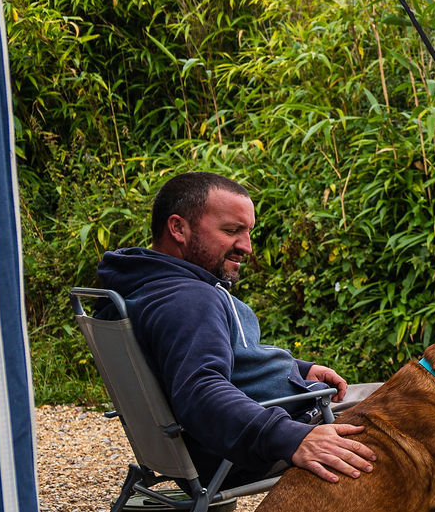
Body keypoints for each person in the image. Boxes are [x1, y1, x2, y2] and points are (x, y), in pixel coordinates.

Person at [95, 172, 376, 487]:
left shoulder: (148, 286)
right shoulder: (188, 300)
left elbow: (199, 360)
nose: (247, 247)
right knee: (421, 403)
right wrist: (293, 439)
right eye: (231, 231)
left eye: (248, 232)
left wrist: (299, 371)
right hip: (264, 439)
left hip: (259, 423)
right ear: (178, 228)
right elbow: (201, 392)